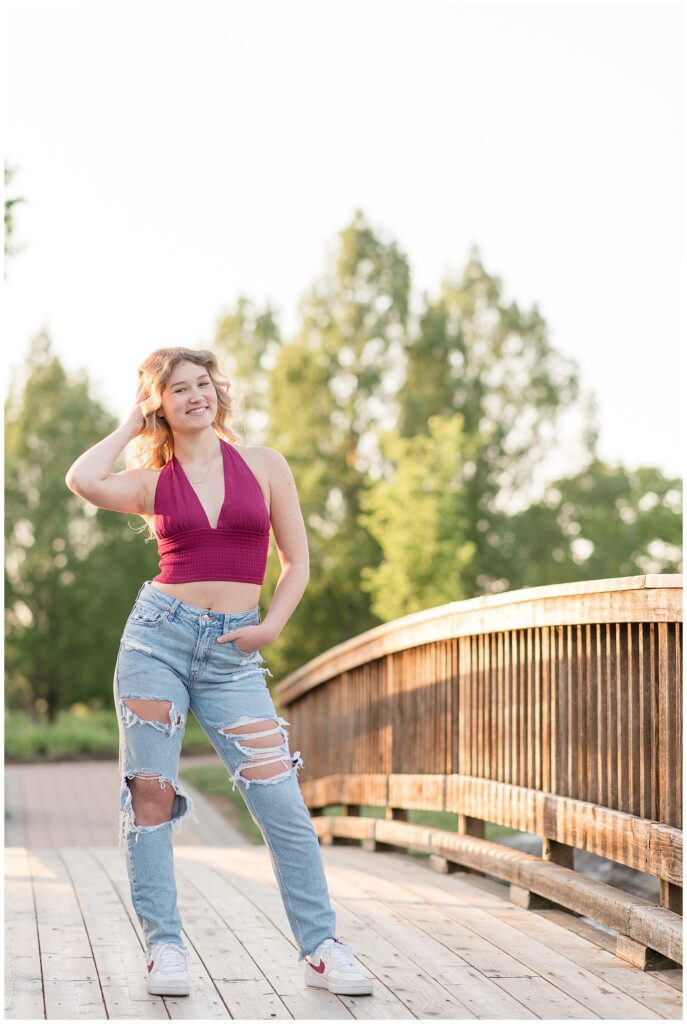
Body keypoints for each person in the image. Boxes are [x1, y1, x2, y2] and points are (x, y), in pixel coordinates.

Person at [65, 346, 373, 998]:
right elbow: (84, 480)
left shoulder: (264, 466)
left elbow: (297, 563)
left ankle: (320, 945)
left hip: (233, 656)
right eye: (178, 390)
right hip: (156, 643)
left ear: (217, 392)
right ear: (162, 405)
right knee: (151, 793)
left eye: (202, 384)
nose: (195, 396)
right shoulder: (153, 481)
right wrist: (130, 421)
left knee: (279, 799)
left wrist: (270, 629)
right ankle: (165, 948)